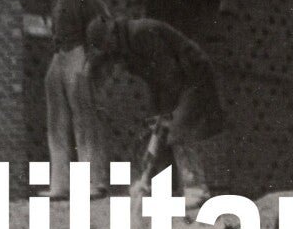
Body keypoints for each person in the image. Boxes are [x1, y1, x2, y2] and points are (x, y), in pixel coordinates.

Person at [84, 15, 226, 207]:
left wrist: (168, 112)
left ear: (111, 33)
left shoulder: (141, 34)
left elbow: (169, 73)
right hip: (174, 80)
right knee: (159, 133)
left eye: (106, 45)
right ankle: (161, 190)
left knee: (178, 128)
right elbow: (152, 80)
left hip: (193, 75)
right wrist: (157, 113)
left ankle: (197, 189)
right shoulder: (124, 49)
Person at [43, 0, 111, 198]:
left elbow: (103, 26)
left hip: (79, 54)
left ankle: (95, 182)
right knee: (56, 122)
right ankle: (61, 184)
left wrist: (92, 60)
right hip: (59, 56)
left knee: (86, 121)